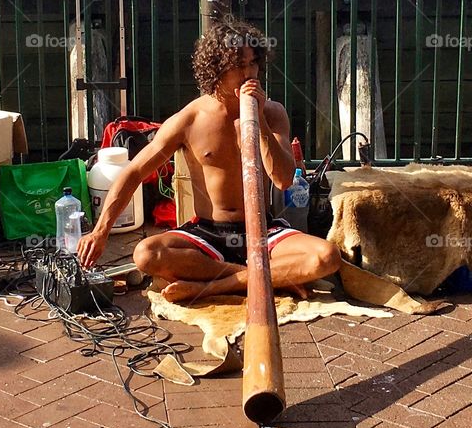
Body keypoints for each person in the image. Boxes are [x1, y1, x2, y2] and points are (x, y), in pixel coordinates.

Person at [77, 19, 341, 302]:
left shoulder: (273, 113)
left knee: (327, 256)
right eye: (239, 65)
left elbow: (283, 179)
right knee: (146, 254)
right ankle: (265, 278)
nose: (249, 73)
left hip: (263, 230)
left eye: (253, 63)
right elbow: (134, 172)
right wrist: (100, 232)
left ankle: (214, 286)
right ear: (216, 69)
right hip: (208, 233)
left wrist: (259, 121)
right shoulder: (189, 120)